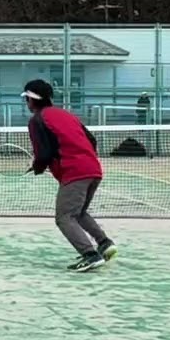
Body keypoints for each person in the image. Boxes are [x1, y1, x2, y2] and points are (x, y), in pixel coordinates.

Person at [24, 79, 117, 272]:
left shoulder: (37, 120)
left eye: (26, 98)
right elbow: (91, 140)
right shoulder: (66, 114)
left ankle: (90, 255)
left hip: (75, 172)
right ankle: (104, 243)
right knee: (79, 213)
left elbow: (44, 153)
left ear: (31, 100)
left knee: (64, 217)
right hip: (94, 169)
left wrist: (39, 166)